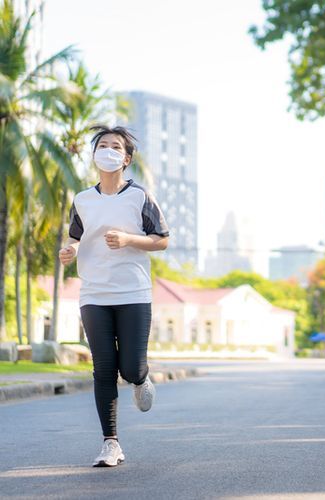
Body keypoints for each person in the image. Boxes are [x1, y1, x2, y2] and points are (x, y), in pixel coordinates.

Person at [59, 126, 170, 467]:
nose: (107, 150)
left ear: (126, 158)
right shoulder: (83, 199)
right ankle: (111, 444)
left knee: (130, 366)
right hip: (93, 292)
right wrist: (71, 250)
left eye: (115, 146)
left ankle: (140, 376)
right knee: (103, 368)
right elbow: (79, 235)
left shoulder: (140, 197)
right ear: (95, 156)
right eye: (102, 145)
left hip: (133, 291)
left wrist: (128, 240)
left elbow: (162, 239)